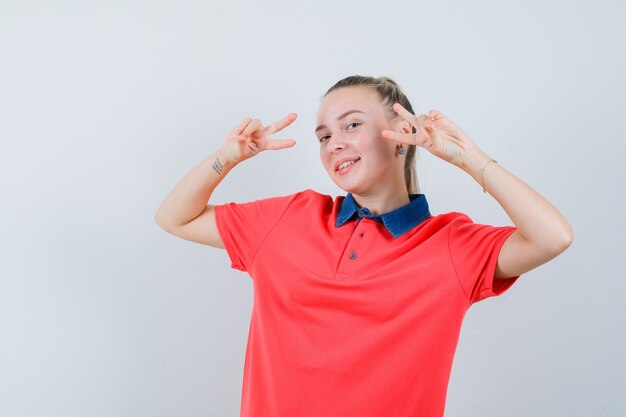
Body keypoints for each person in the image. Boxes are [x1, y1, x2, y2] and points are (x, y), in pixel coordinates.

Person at [155, 75, 573, 417]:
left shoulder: (450, 245)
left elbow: (552, 237)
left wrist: (470, 159)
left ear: (401, 135)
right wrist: (226, 157)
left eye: (351, 125)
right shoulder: (288, 219)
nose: (334, 143)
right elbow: (175, 217)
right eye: (323, 136)